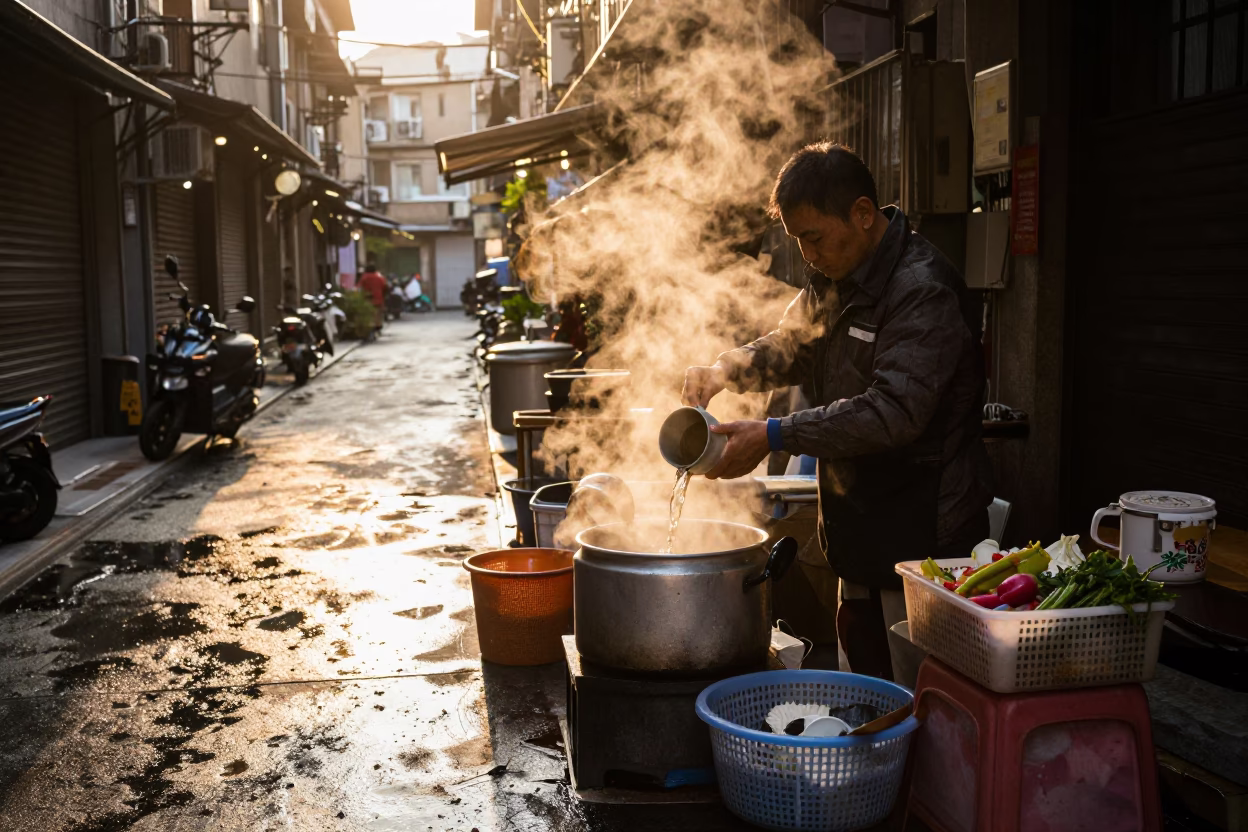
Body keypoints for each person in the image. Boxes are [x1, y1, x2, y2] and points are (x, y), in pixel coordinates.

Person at [682, 142, 993, 679]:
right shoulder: (833, 277)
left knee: (917, 698)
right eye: (798, 240)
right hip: (861, 533)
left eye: (814, 237)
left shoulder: (921, 290)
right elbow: (794, 345)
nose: (807, 254)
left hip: (924, 545)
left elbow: (892, 412)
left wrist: (774, 434)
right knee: (863, 693)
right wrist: (725, 370)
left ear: (863, 214)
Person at [357, 261, 387, 333]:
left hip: (368, 299)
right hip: (379, 299)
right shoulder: (380, 277)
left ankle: (371, 328)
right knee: (378, 314)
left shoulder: (364, 277)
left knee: (370, 314)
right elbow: (385, 287)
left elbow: (359, 287)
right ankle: (378, 327)